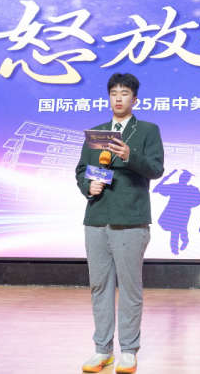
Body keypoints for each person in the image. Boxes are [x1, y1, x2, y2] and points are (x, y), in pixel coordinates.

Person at [75, 73, 164, 374]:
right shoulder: (97, 133)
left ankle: (128, 350)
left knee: (129, 288)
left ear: (134, 99)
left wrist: (129, 155)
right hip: (97, 217)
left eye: (124, 93)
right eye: (114, 93)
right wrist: (88, 186)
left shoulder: (147, 130)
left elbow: (156, 169)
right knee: (99, 286)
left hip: (130, 220)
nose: (118, 98)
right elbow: (81, 170)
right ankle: (102, 350)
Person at [154, 169, 200, 255]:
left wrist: (190, 204)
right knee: (176, 230)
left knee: (178, 229)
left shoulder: (191, 189)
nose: (182, 178)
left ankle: (180, 244)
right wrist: (165, 179)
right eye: (181, 176)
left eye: (184, 177)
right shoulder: (175, 186)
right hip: (172, 211)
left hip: (183, 212)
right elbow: (156, 189)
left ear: (187, 179)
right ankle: (176, 248)